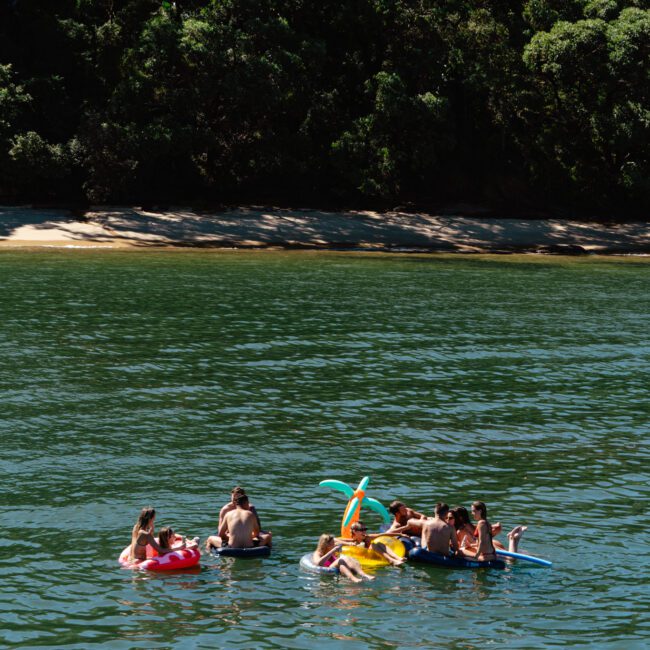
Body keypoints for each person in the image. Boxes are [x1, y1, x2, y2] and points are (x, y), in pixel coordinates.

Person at [338, 521, 407, 566]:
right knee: (374, 545)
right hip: (364, 561)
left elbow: (382, 535)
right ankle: (391, 560)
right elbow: (336, 540)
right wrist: (348, 544)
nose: (364, 532)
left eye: (365, 529)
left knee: (377, 543)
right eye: (362, 530)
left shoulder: (367, 537)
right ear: (355, 531)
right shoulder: (351, 541)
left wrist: (400, 534)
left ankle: (397, 558)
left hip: (374, 557)